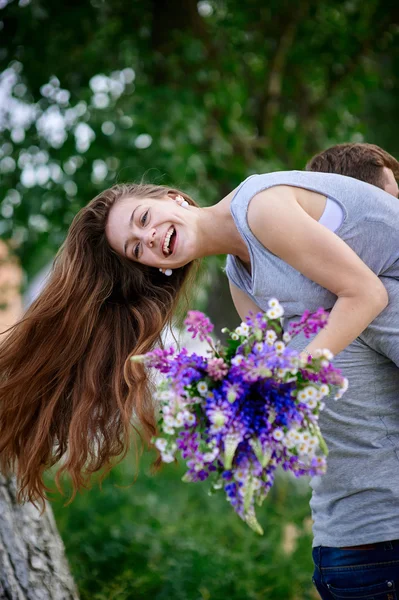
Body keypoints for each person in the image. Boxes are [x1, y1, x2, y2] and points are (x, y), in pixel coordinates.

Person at [0, 150, 398, 595]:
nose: (148, 237)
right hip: (351, 525)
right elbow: (277, 386)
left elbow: (366, 295)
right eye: (136, 248)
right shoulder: (241, 277)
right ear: (155, 267)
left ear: (176, 199)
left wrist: (283, 379)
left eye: (144, 217)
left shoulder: (260, 207)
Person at [304, 143, 399, 598]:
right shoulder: (372, 293)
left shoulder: (297, 298)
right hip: (386, 541)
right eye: (392, 201)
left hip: (338, 541)